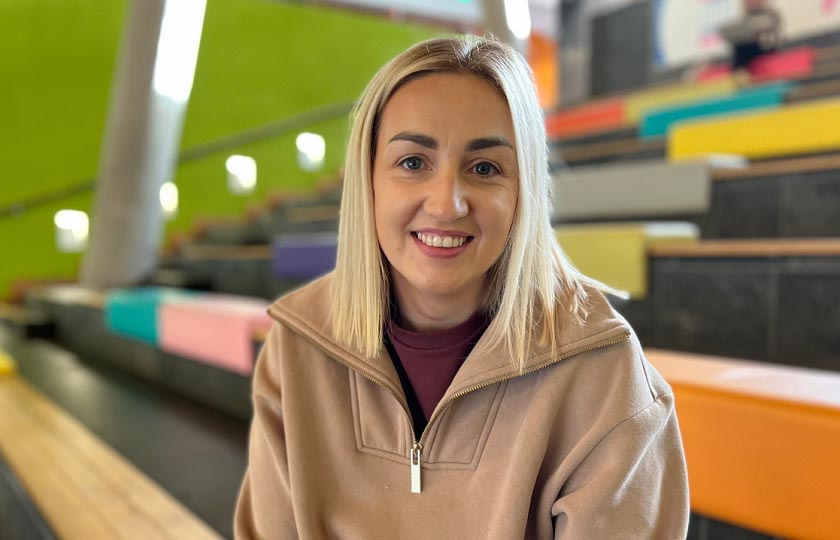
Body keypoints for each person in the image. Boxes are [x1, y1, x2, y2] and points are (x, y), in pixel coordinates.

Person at [234, 35, 689, 539]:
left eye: (485, 168)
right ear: (368, 181)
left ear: (524, 191)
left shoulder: (605, 375)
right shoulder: (298, 345)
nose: (447, 203)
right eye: (413, 163)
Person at [720, 0, 783, 73]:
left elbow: (764, 27)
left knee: (745, 47)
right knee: (740, 45)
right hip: (748, 50)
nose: (750, 3)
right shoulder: (744, 18)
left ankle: (738, 71)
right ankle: (739, 71)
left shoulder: (770, 13)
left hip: (766, 47)